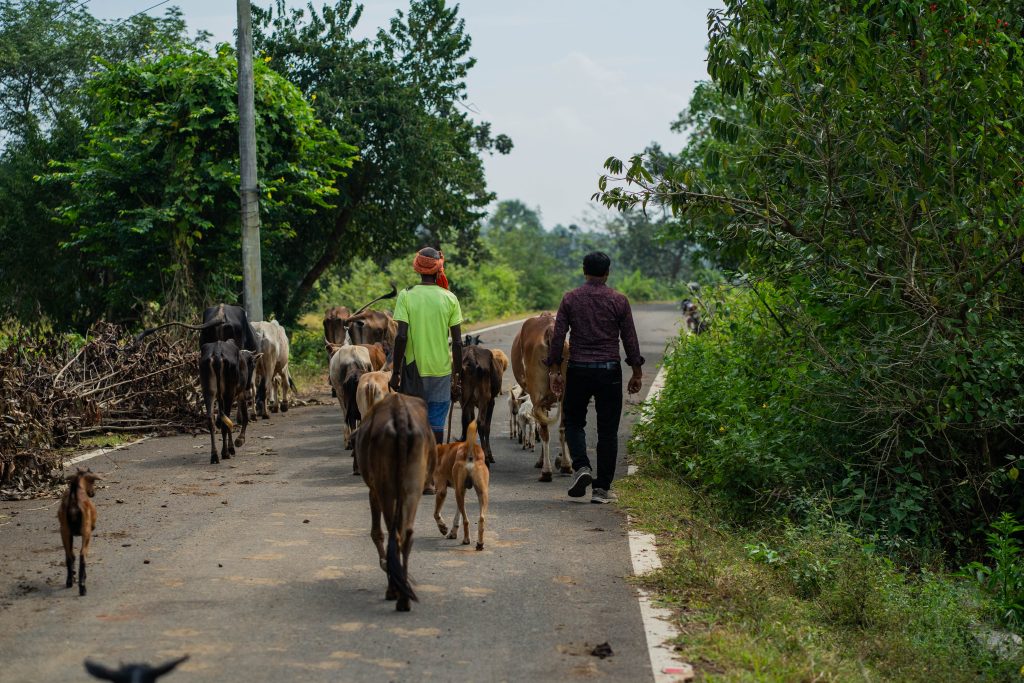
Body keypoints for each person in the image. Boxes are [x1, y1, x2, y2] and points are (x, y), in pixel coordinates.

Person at [546, 252, 644, 504]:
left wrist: (555, 369)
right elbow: (629, 337)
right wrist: (636, 370)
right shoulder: (619, 300)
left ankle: (582, 467)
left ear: (583, 271)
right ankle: (601, 490)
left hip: (578, 368)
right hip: (609, 370)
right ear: (607, 272)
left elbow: (558, 337)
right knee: (608, 431)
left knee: (574, 421)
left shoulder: (570, 299)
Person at [389, 247, 463, 451]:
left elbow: (401, 336)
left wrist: (395, 372)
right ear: (439, 269)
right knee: (436, 424)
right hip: (441, 371)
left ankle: (415, 470)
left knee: (413, 423)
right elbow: (457, 343)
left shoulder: (406, 295)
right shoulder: (450, 298)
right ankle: (433, 470)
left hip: (414, 372)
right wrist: (457, 377)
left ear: (418, 269)